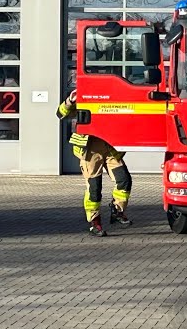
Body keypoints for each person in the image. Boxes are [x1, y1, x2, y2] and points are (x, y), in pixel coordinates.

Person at [56, 89, 133, 237]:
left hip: (110, 148)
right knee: (94, 188)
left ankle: (117, 211)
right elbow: (60, 114)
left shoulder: (113, 95)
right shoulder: (83, 96)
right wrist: (70, 100)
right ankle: (94, 222)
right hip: (90, 150)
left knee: (124, 180)